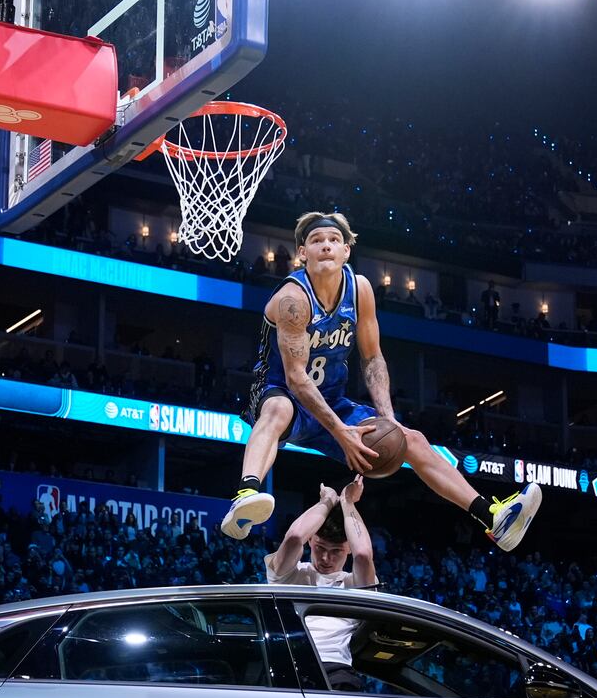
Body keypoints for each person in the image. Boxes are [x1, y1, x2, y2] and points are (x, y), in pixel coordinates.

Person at [222, 211, 541, 552]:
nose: (325, 246)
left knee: (412, 440)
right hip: (281, 391)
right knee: (279, 408)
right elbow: (296, 378)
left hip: (332, 399)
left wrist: (388, 418)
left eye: (333, 240)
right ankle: (245, 497)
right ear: (303, 253)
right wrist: (340, 432)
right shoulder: (293, 300)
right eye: (316, 241)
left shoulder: (359, 290)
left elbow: (372, 359)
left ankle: (493, 518)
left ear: (346, 251)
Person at [264, 479, 375, 691]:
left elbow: (363, 554)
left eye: (336, 551)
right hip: (287, 666)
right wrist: (327, 500)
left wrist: (348, 502)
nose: (326, 558)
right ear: (311, 541)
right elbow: (295, 537)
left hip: (336, 673)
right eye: (320, 547)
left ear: (348, 549)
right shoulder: (288, 576)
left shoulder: (353, 585)